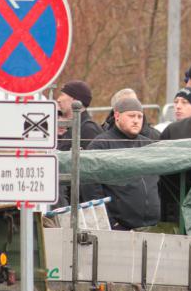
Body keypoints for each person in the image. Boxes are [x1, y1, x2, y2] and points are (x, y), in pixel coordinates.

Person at [81, 98, 159, 230]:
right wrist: (111, 223)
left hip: (151, 227)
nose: (136, 120)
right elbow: (91, 188)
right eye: (131, 116)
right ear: (117, 116)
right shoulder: (101, 144)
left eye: (140, 116)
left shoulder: (149, 145)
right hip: (118, 228)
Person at [56, 80, 103, 152]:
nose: (58, 100)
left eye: (62, 95)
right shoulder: (71, 127)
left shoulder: (89, 130)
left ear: (75, 99)